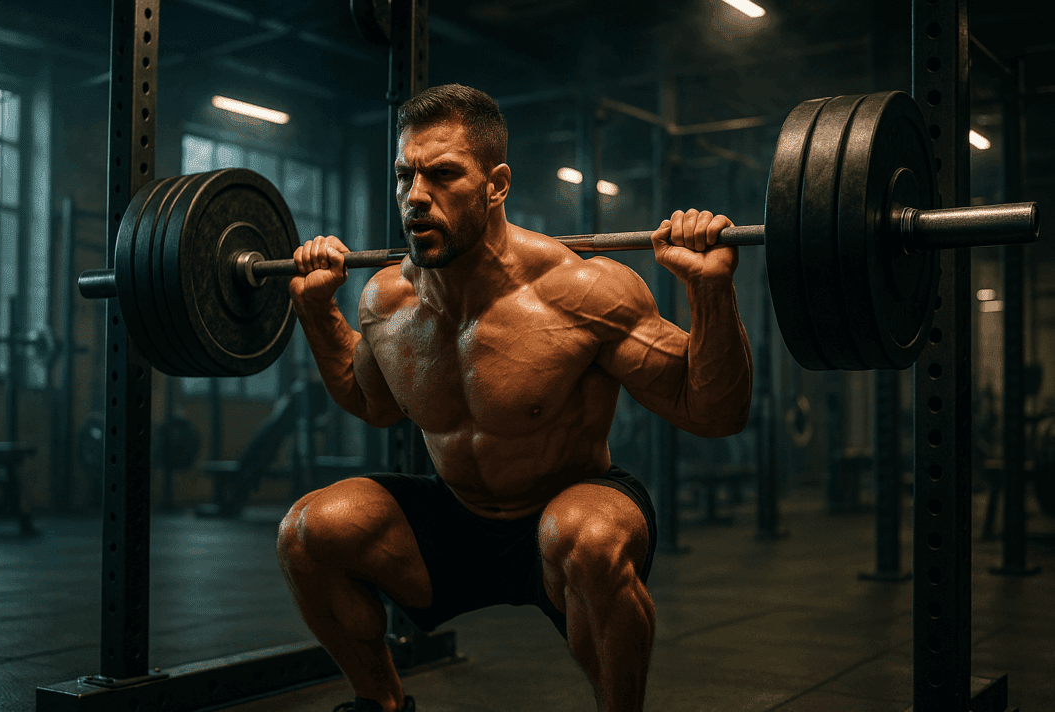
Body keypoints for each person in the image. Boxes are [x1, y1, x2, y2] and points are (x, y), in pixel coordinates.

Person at [277, 84, 753, 712]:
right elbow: (373, 403)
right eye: (405, 176)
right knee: (307, 531)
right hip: (456, 516)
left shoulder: (581, 290)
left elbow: (714, 412)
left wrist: (711, 292)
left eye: (443, 175)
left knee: (587, 538)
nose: (416, 197)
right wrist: (316, 313)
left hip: (567, 506)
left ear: (496, 185)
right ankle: (380, 705)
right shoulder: (387, 302)